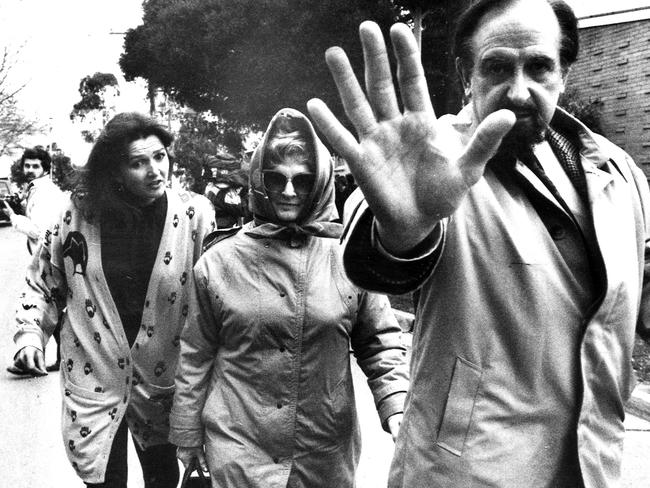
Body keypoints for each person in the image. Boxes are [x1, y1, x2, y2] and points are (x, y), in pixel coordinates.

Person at [306, 1, 650, 487]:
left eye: (538, 67)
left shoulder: (617, 172)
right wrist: (402, 231)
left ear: (564, 75)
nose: (518, 89)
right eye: (496, 67)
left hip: (591, 467)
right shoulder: (432, 157)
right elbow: (383, 255)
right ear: (467, 75)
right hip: (464, 471)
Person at [169, 108, 409, 487]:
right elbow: (196, 354)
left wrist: (396, 404)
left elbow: (379, 343)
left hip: (323, 449)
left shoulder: (351, 257)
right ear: (259, 181)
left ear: (321, 182)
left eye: (303, 180)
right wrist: (186, 433)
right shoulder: (218, 262)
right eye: (276, 179)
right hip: (238, 444)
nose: (289, 191)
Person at [11, 112, 216, 487]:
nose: (155, 170)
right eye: (138, 163)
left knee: (163, 478)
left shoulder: (193, 217)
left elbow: (216, 296)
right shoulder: (76, 216)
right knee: (104, 480)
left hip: (164, 383)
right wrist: (30, 335)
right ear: (114, 171)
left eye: (159, 157)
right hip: (94, 376)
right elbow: (44, 281)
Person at [2, 146, 67, 371]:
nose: (30, 170)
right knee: (52, 308)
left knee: (40, 306)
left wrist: (15, 218)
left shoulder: (45, 192)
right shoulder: (37, 189)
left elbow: (40, 230)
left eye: (35, 166)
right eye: (27, 165)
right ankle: (38, 358)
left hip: (48, 258)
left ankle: (35, 358)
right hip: (47, 256)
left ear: (45, 168)